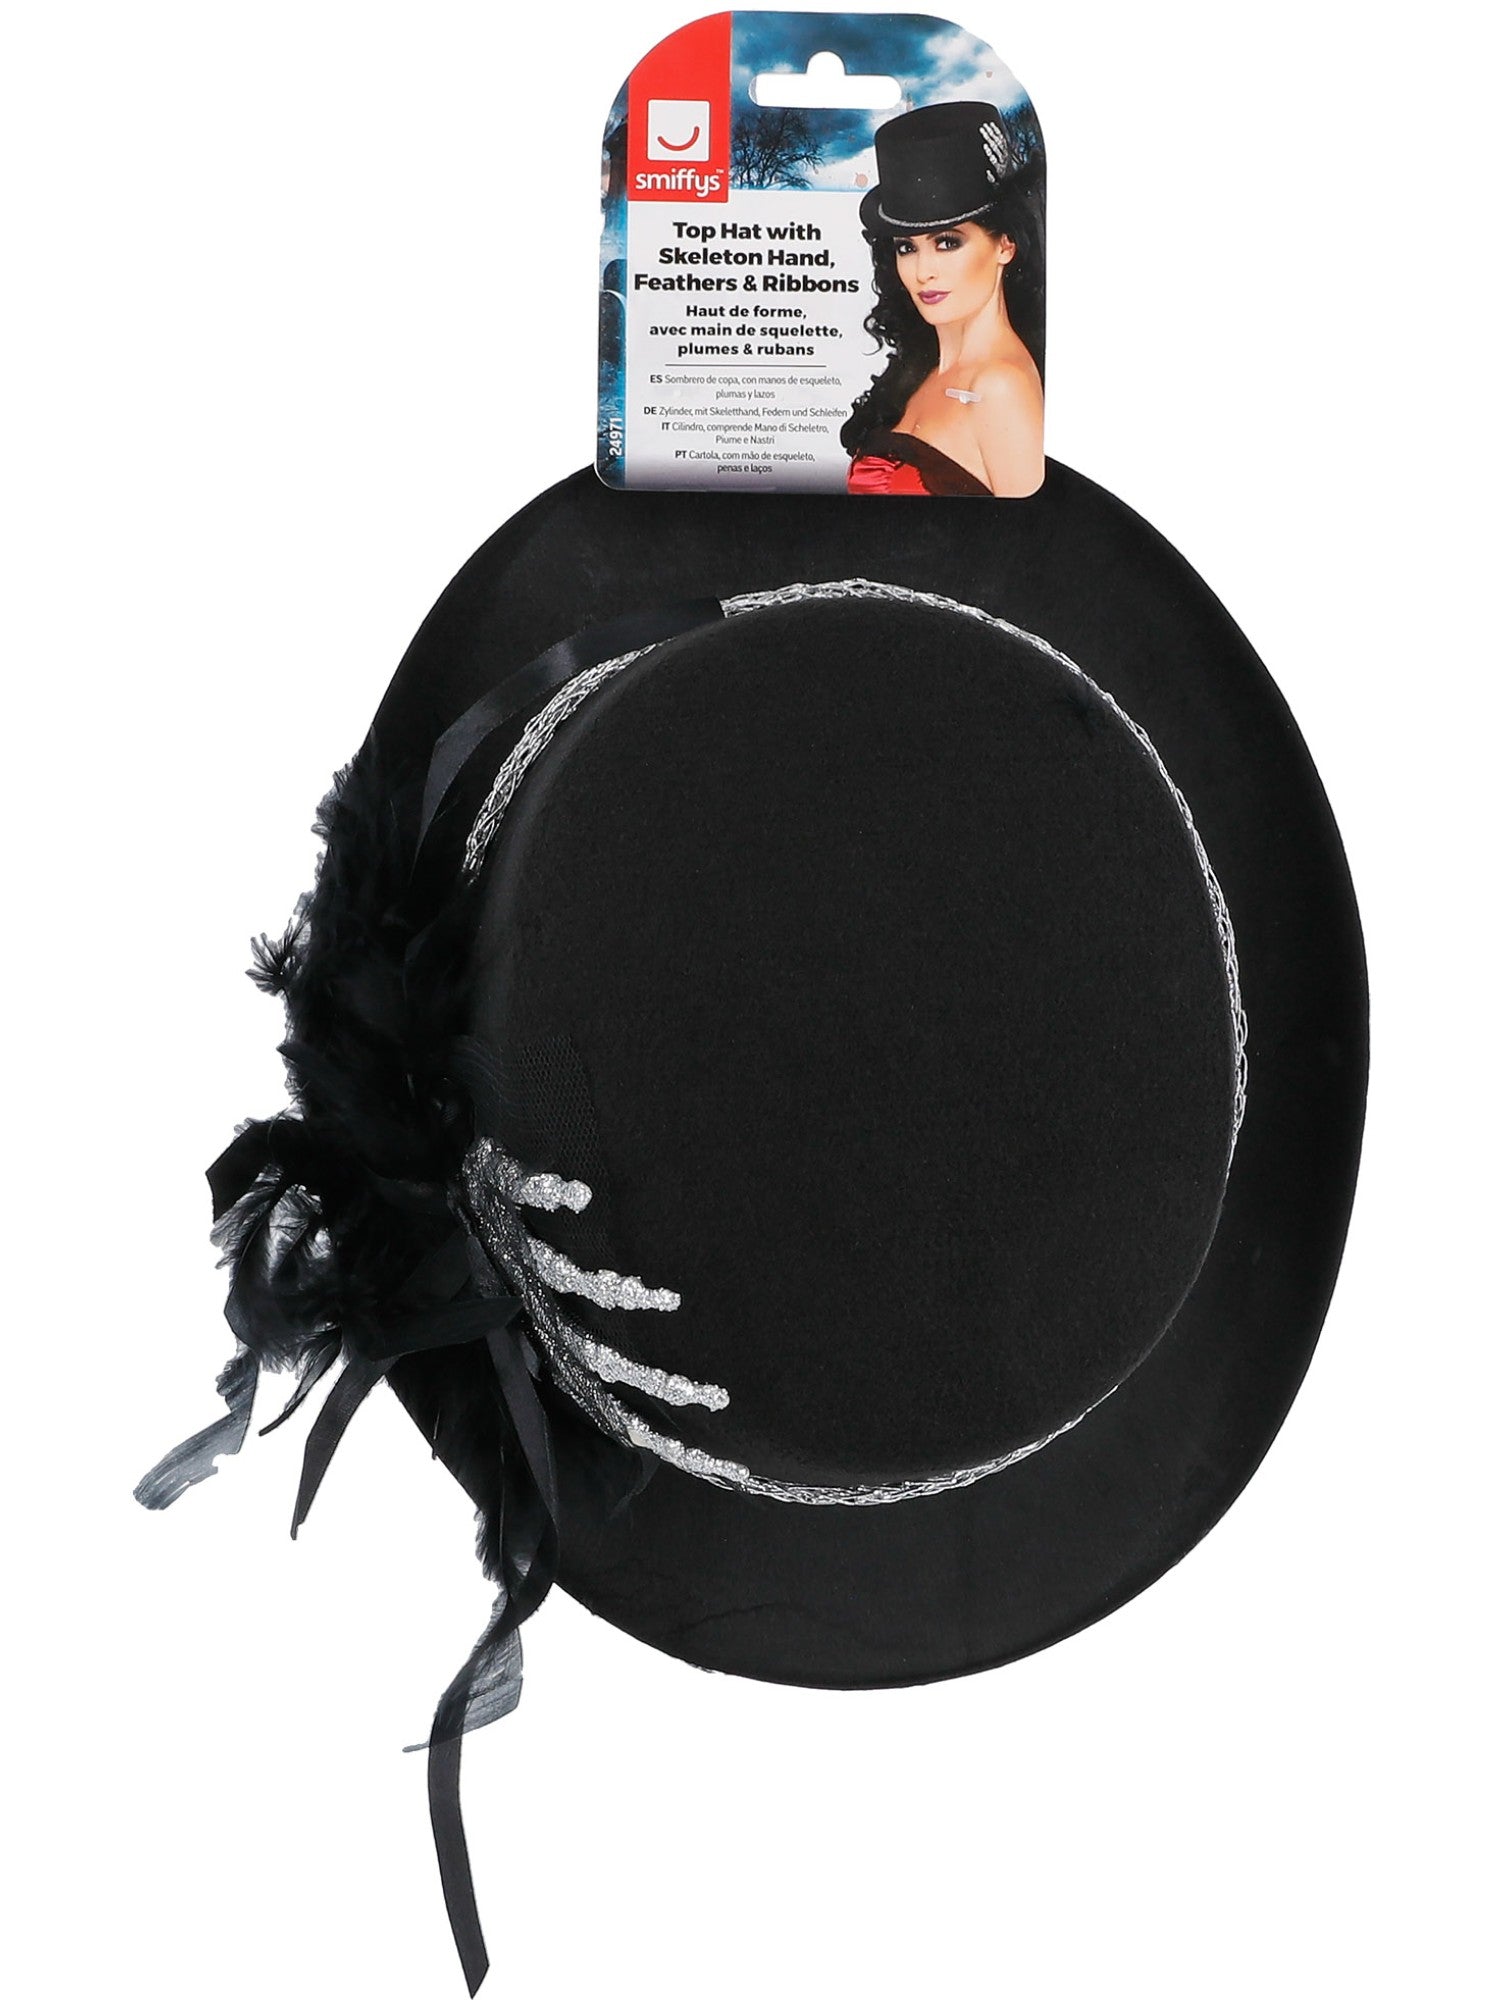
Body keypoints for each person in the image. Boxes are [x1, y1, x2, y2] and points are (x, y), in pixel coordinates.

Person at [842, 100, 1045, 498]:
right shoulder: (921, 370)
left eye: (947, 243)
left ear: (1005, 245)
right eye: (906, 248)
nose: (923, 271)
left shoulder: (1000, 387)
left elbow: (1030, 536)